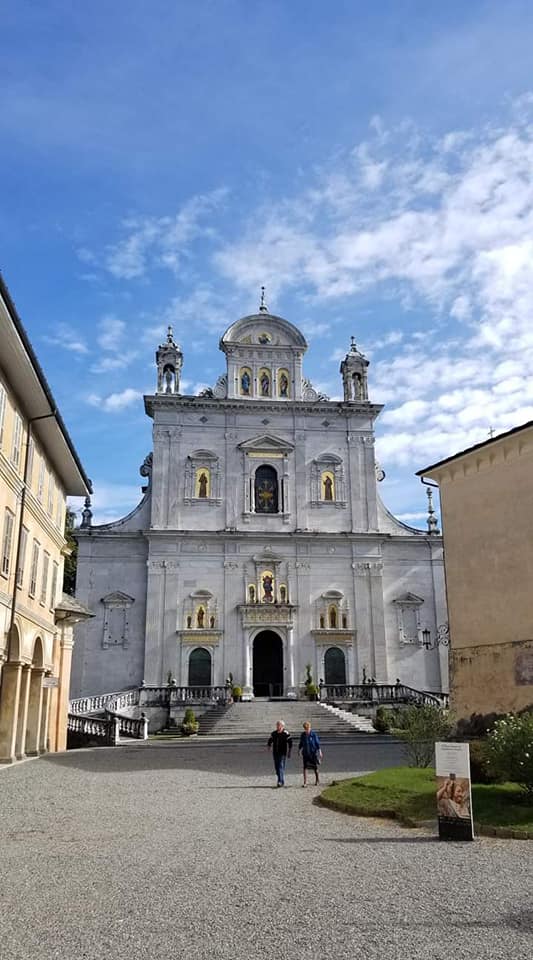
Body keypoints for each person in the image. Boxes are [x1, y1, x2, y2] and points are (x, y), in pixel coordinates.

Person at [267, 720, 292, 787]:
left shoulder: (286, 733)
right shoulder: (274, 733)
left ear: (282, 726)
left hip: (283, 753)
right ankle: (281, 780)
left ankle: (279, 781)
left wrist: (289, 751)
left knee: (281, 766)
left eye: (279, 725)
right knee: (277, 767)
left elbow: (290, 742)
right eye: (277, 725)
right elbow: (270, 740)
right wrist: (269, 746)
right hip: (275, 752)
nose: (277, 726)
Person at [298, 721, 322, 787]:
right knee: (305, 768)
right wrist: (299, 750)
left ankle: (317, 780)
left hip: (313, 753)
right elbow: (301, 743)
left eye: (308, 728)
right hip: (305, 753)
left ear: (310, 728)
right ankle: (305, 782)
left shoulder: (313, 734)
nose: (307, 730)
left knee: (315, 768)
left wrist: (319, 751)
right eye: (305, 729)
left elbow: (317, 743)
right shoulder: (303, 735)